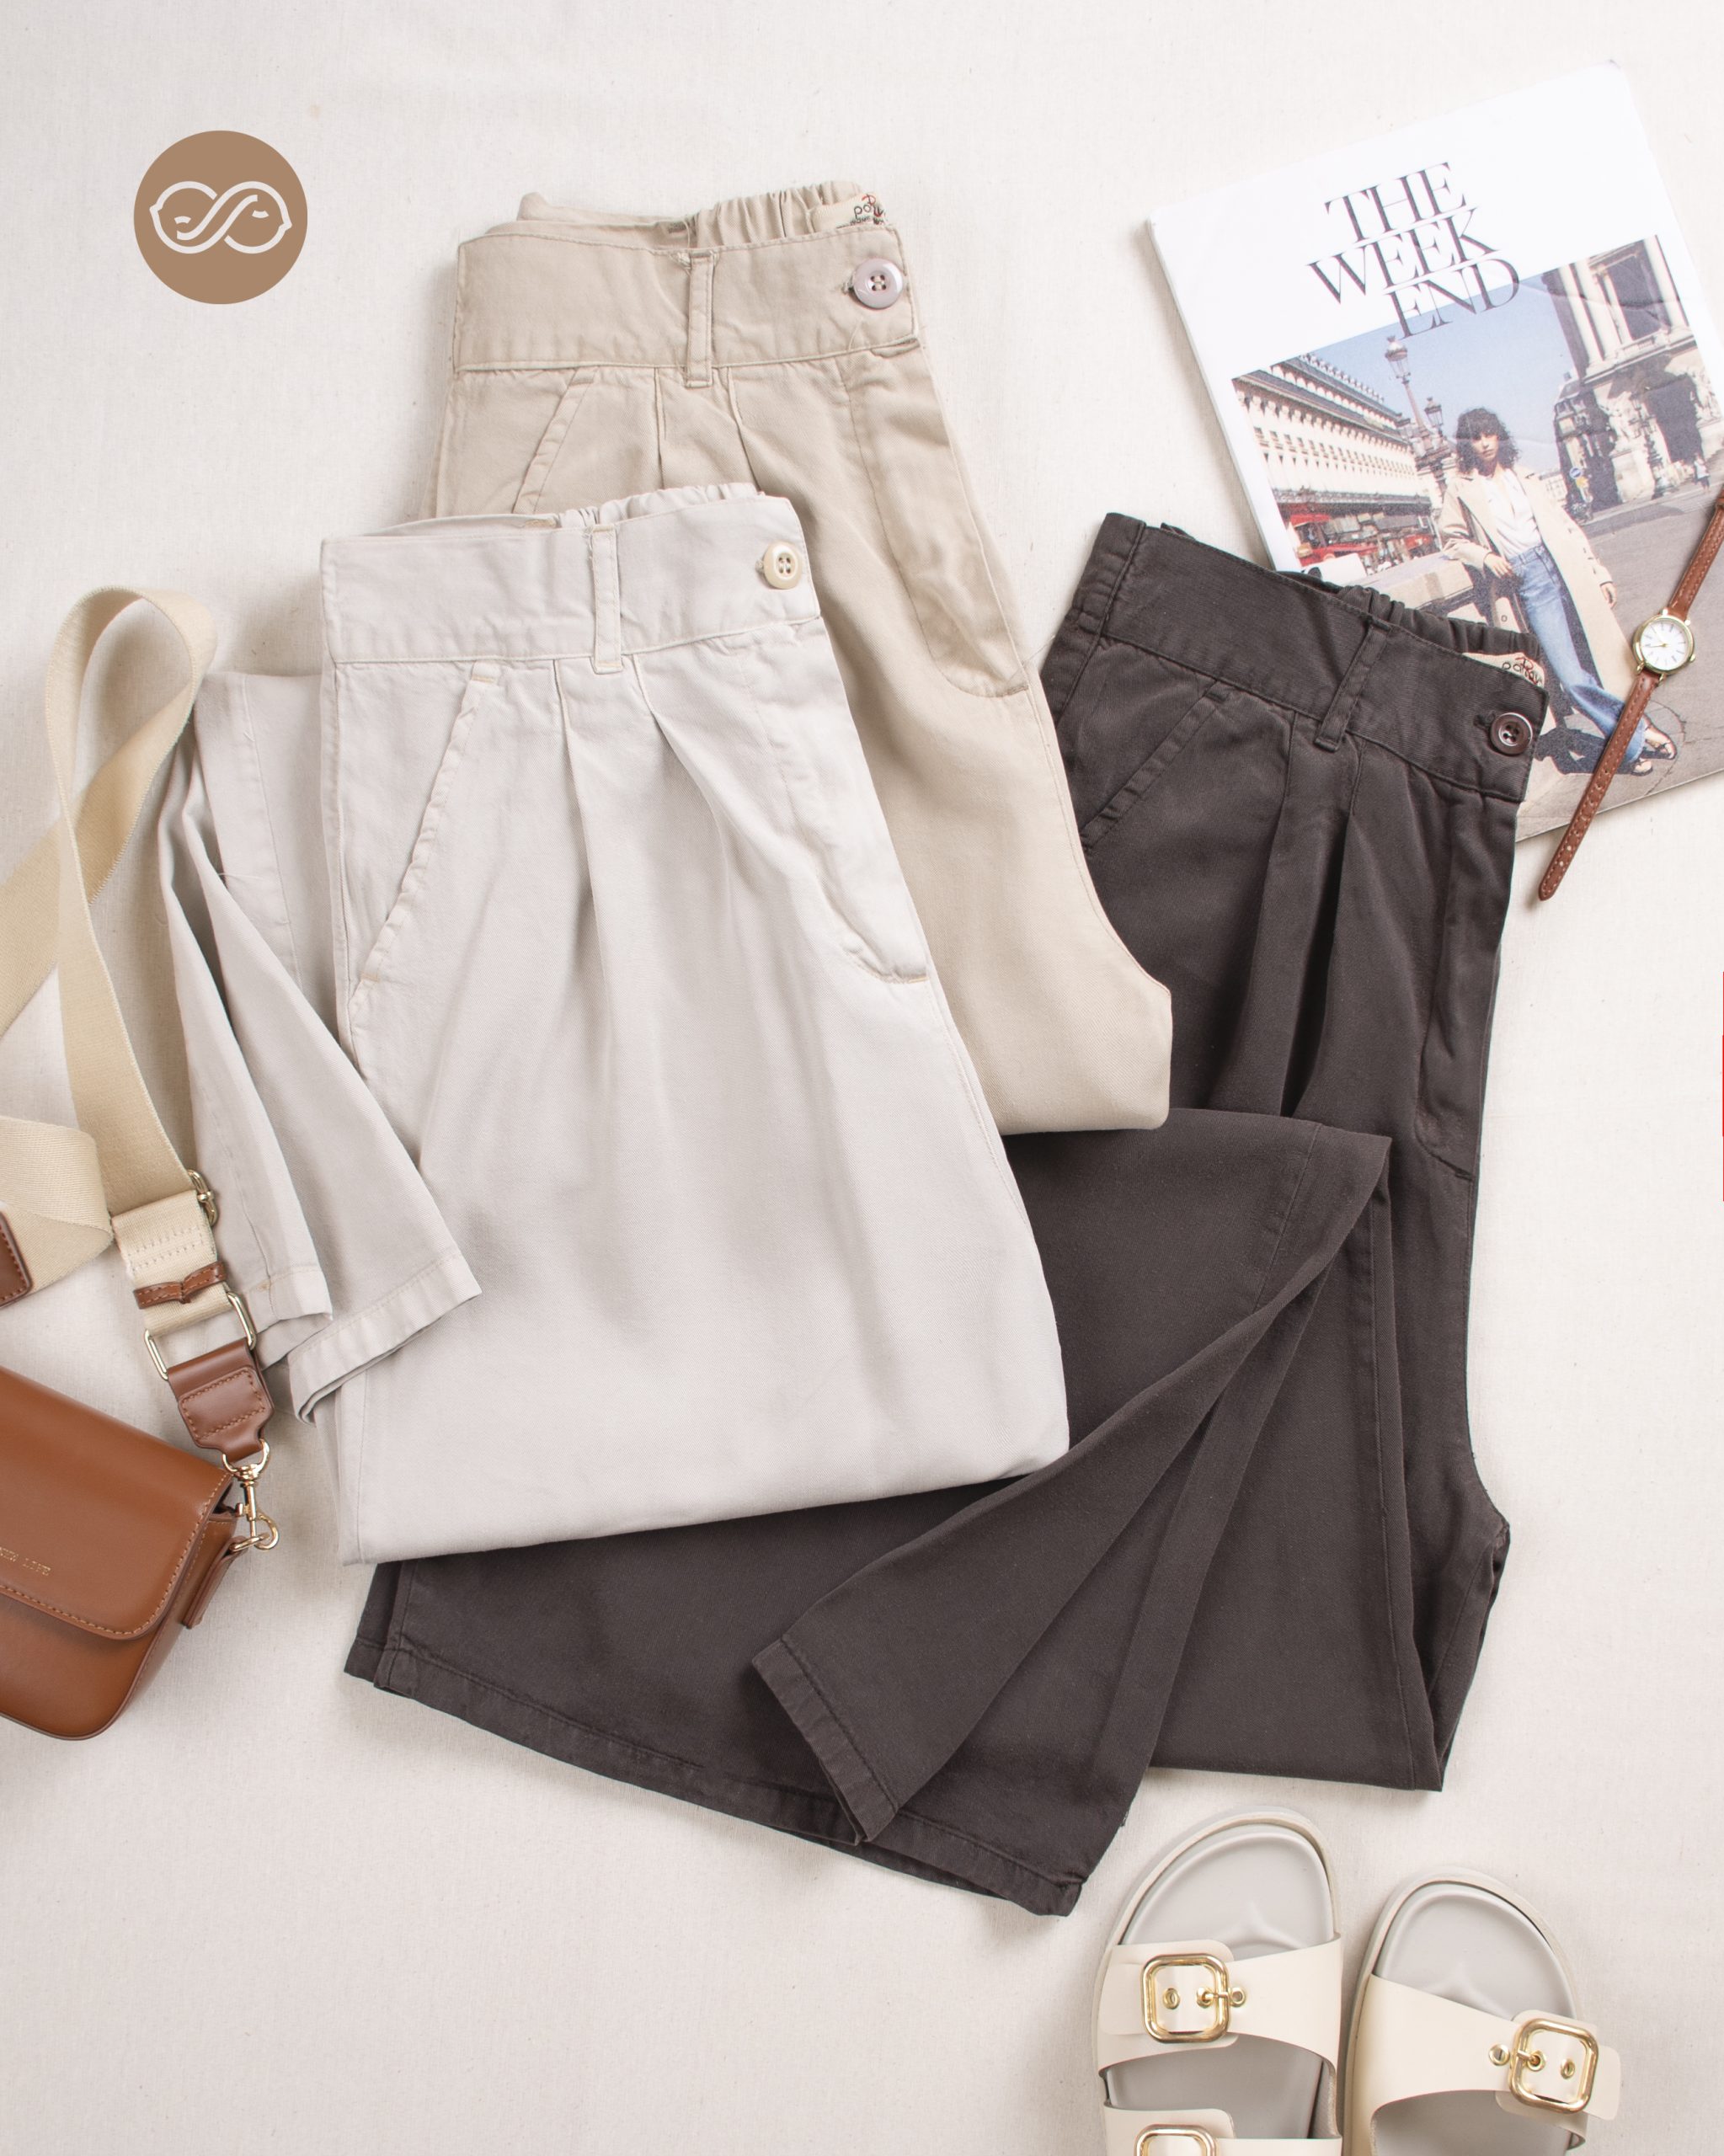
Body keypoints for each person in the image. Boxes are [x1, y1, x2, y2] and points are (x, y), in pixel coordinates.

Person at [1437, 407, 1676, 774]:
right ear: (1467, 444)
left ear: (1499, 436)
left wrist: (1598, 573)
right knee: (1570, 676)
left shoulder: (1524, 475)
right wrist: (1484, 557)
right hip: (1529, 581)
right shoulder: (1462, 487)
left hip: (1567, 570)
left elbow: (1566, 527)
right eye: (1475, 438)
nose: (1484, 444)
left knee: (1601, 664)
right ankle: (1639, 734)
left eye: (1489, 434)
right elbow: (1451, 539)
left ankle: (1632, 738)